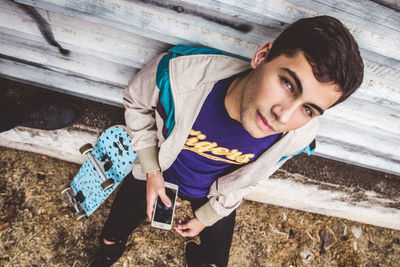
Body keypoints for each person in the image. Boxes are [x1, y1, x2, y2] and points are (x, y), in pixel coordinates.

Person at [89, 15, 364, 267]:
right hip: (158, 170)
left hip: (211, 193)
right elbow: (136, 102)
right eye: (288, 83)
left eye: (308, 109)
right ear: (262, 56)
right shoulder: (179, 75)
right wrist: (151, 170)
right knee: (112, 234)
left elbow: (252, 177)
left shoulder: (297, 136)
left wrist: (207, 217)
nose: (283, 115)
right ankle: (108, 254)